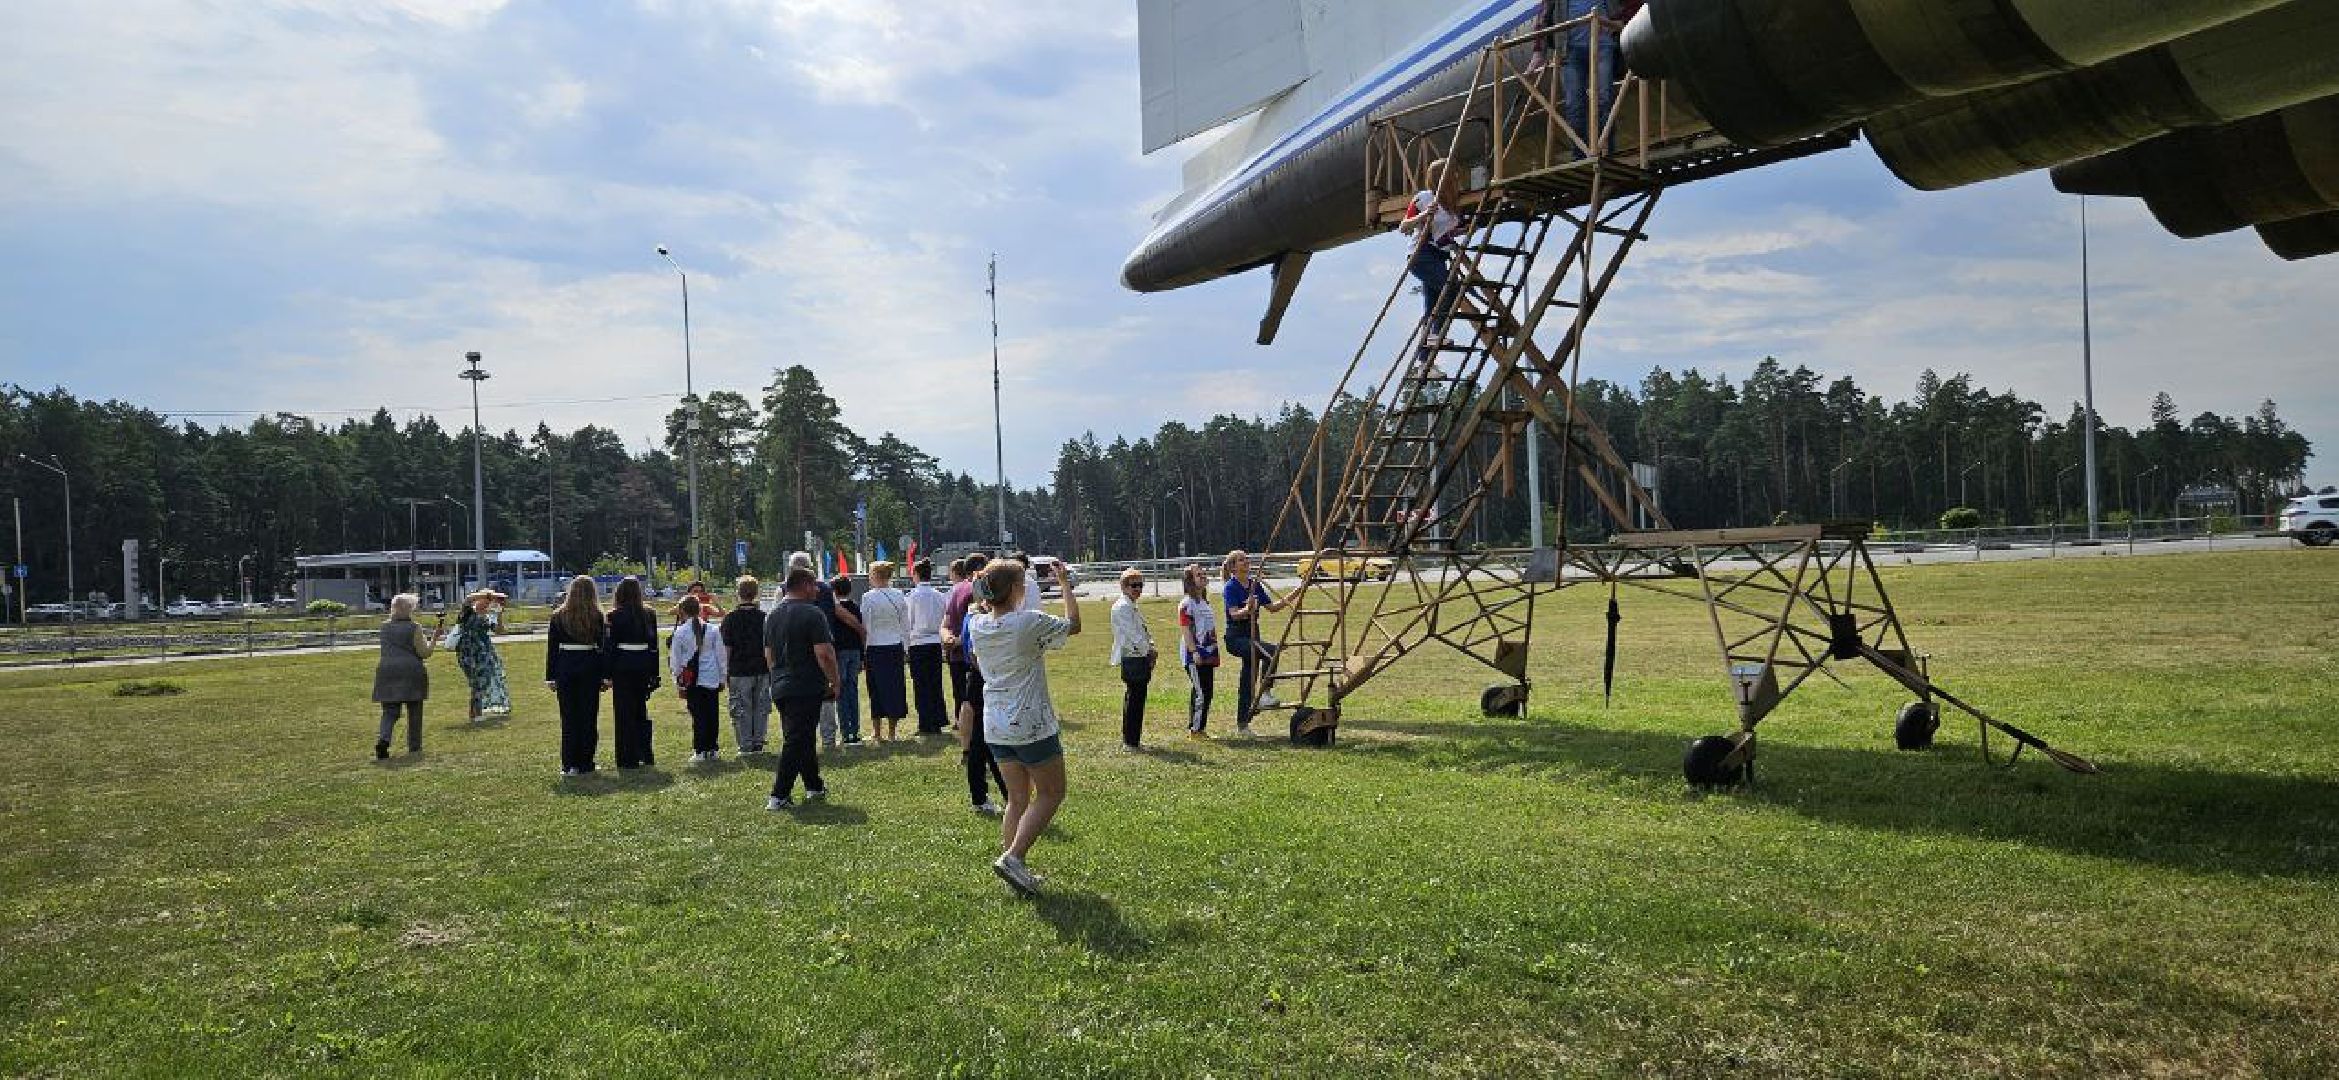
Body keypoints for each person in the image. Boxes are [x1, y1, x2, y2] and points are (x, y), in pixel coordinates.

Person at [967, 557, 1081, 893]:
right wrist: (1064, 584)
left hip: (995, 724)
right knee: (1052, 792)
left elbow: (983, 610)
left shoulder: (977, 623)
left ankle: (1014, 868)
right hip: (1030, 723)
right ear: (1017, 589)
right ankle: (1013, 857)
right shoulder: (1027, 622)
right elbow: (1073, 625)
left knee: (1017, 799)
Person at [763, 567, 839, 810]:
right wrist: (834, 681)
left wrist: (776, 677)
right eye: (814, 585)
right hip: (805, 684)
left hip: (781, 684)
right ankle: (779, 795)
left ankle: (813, 785)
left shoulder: (772, 615)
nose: (817, 590)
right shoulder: (813, 613)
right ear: (805, 585)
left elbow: (769, 654)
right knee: (796, 740)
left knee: (802, 737)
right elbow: (824, 653)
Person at [544, 575, 610, 775]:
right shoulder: (597, 616)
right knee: (588, 717)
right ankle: (586, 762)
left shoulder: (558, 616)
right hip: (590, 666)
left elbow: (552, 649)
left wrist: (551, 676)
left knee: (568, 718)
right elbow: (603, 648)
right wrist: (605, 675)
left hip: (565, 667)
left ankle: (569, 763)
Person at [1398, 157, 1466, 349]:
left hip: (1439, 257)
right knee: (1450, 288)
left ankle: (1424, 359)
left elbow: (1443, 234)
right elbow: (1404, 227)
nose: (1457, 178)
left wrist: (1462, 230)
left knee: (1431, 305)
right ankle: (1436, 334)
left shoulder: (1451, 204)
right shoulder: (1425, 198)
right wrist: (1423, 215)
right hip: (1421, 255)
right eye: (1453, 175)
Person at [1222, 549, 1289, 737]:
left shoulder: (1254, 585)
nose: (1246, 562)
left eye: (1246, 559)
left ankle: (1243, 725)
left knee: (1248, 678)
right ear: (1233, 567)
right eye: (1241, 560)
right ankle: (1265, 694)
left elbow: (1273, 608)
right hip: (1237, 638)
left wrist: (1296, 593)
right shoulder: (1230, 587)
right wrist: (1247, 609)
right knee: (1272, 652)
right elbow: (1234, 614)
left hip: (1253, 636)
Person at [955, 582, 1007, 816]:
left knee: (983, 741)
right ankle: (1003, 795)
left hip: (980, 679)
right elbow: (974, 654)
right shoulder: (977, 618)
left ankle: (988, 795)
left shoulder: (974, 616)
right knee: (987, 741)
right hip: (983, 679)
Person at [371, 592, 440, 759]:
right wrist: (434, 638)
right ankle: (414, 746)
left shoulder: (384, 627)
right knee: (414, 711)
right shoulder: (414, 627)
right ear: (409, 609)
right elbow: (424, 653)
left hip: (387, 671)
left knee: (389, 712)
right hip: (411, 671)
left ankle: (384, 740)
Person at [605, 577, 661, 770]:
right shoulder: (649, 614)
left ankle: (627, 758)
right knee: (640, 711)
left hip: (622, 666)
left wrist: (607, 674)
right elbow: (654, 647)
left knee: (623, 713)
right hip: (644, 664)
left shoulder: (614, 615)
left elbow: (610, 647)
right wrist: (655, 673)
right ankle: (645, 753)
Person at [718, 576, 773, 757]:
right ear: (756, 593)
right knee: (761, 706)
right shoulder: (764, 618)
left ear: (738, 593)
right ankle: (758, 741)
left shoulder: (730, 619)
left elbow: (727, 648)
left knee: (741, 708)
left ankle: (745, 744)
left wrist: (724, 671)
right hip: (762, 667)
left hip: (739, 669)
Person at [670, 594, 727, 763]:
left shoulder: (680, 632)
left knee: (698, 716)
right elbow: (721, 656)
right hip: (711, 676)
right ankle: (712, 748)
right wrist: (722, 677)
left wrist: (678, 682)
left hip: (692, 679)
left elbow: (676, 661)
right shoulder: (712, 629)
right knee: (712, 714)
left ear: (682, 611)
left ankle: (700, 750)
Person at [858, 561, 910, 742]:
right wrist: (906, 647)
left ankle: (877, 732)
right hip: (895, 645)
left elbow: (865, 625)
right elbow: (905, 624)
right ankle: (892, 733)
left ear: (875, 576)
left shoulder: (868, 597)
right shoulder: (899, 595)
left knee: (875, 689)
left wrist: (863, 649)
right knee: (894, 688)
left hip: (875, 647)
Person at [1109, 567, 1158, 748]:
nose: (1138, 589)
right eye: (1133, 585)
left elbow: (1142, 631)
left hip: (1139, 656)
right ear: (1124, 587)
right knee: (1134, 700)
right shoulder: (1122, 607)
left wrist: (1150, 646)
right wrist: (1149, 652)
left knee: (1137, 698)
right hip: (1133, 657)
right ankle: (1130, 741)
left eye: (1140, 585)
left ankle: (1133, 739)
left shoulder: (1131, 605)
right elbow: (1133, 636)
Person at [941, 552, 988, 727]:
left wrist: (947, 637)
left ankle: (961, 727)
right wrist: (959, 640)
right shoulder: (979, 590)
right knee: (977, 702)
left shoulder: (956, 590)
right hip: (974, 654)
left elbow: (945, 623)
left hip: (955, 652)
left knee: (961, 697)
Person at [904, 557, 950, 735]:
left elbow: (908, 622)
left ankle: (925, 722)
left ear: (916, 574)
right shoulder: (939, 595)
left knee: (921, 684)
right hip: (935, 642)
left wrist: (906, 645)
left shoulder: (912, 596)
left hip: (918, 643)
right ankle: (938, 720)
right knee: (935, 683)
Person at [452, 587, 510, 722]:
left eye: (489, 601)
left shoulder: (488, 616)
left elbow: (499, 631)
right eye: (485, 599)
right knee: (476, 681)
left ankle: (476, 712)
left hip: (483, 653)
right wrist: (491, 595)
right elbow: (468, 599)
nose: (487, 603)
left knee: (482, 681)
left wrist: (499, 614)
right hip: (467, 652)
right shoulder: (468, 612)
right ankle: (475, 712)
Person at [1177, 565, 1220, 739]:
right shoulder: (1187, 604)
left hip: (1208, 653)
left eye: (1203, 574)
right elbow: (1186, 629)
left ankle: (1201, 728)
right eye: (1198, 575)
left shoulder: (1204, 602)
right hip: (1194, 655)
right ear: (1190, 581)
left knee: (1207, 691)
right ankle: (1194, 730)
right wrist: (1194, 651)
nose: (1203, 576)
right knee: (1201, 692)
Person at [828, 573, 867, 746]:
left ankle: (845, 732)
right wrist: (862, 655)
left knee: (840, 691)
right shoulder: (855, 607)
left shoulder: (833, 609)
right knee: (852, 690)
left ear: (834, 591)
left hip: (839, 653)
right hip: (855, 652)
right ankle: (855, 730)